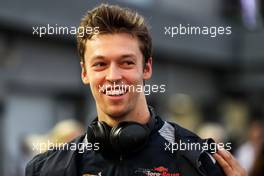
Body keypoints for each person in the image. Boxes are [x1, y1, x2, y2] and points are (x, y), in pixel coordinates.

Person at [26, 3, 246, 176]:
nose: (113, 77)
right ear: (85, 73)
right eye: (100, 64)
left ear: (147, 68)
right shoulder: (48, 169)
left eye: (127, 62)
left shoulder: (197, 159)